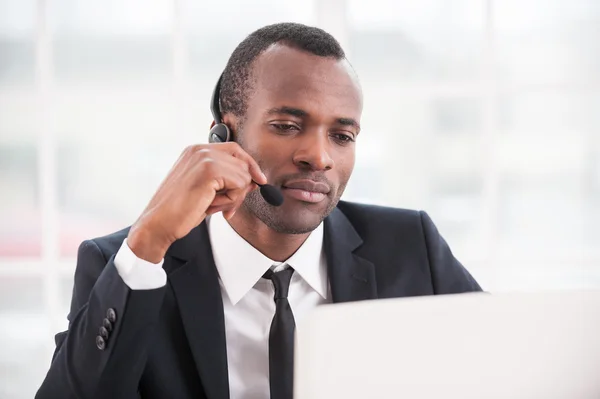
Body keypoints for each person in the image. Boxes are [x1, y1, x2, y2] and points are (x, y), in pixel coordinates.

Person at [36, 22, 482, 399]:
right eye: (287, 127)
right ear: (223, 136)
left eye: (342, 136)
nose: (319, 157)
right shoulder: (129, 265)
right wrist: (148, 243)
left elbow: (504, 368)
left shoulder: (410, 248)